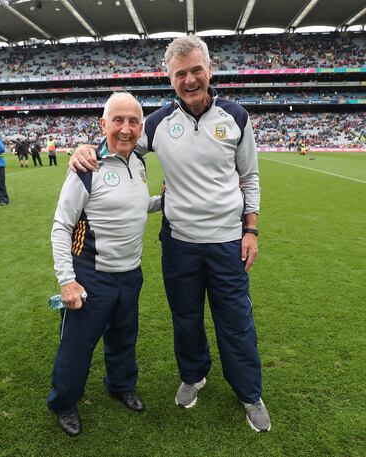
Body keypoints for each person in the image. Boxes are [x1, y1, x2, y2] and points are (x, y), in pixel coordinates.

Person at [70, 36, 271, 433]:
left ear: (209, 70)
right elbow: (119, 139)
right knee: (186, 318)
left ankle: (249, 392)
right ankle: (194, 375)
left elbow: (249, 178)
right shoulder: (159, 122)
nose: (190, 79)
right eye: (181, 74)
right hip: (179, 243)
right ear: (170, 79)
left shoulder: (237, 117)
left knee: (236, 320)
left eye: (196, 70)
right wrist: (85, 149)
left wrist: (251, 230)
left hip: (228, 241)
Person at [48, 93, 161, 437]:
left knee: (124, 338)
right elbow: (61, 226)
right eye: (118, 120)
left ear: (140, 127)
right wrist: (67, 281)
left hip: (130, 273)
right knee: (78, 346)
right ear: (103, 125)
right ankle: (64, 401)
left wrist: (162, 202)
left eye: (132, 121)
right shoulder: (87, 166)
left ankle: (119, 384)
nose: (125, 129)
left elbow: (136, 206)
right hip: (91, 277)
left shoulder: (139, 163)